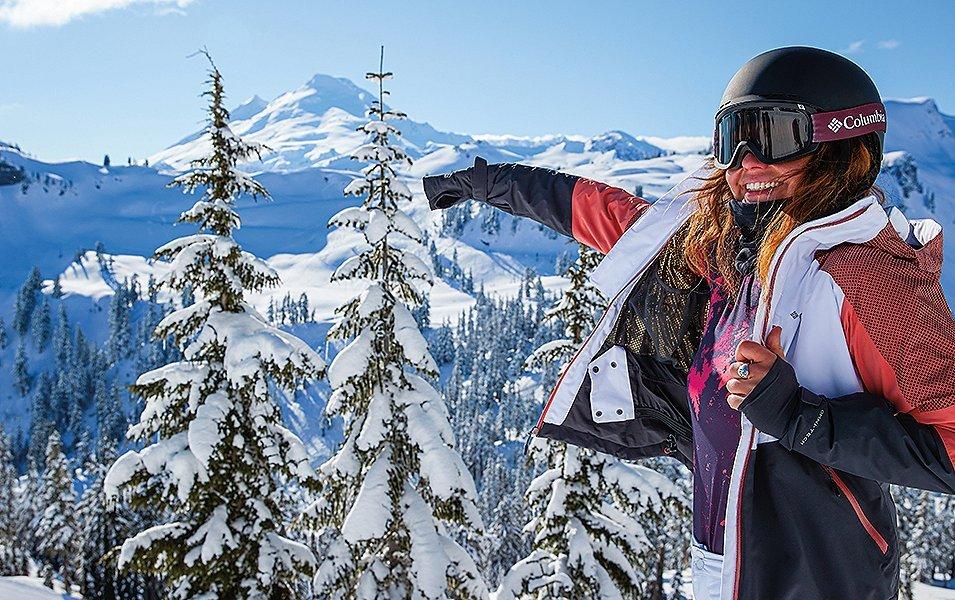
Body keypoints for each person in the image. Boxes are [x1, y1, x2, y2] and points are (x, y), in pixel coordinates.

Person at [421, 46, 955, 600]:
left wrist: (799, 417)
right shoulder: (717, 249)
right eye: (731, 137)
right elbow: (601, 213)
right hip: (722, 561)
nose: (747, 160)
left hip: (828, 578)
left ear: (842, 147)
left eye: (773, 134)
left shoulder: (869, 279)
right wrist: (491, 184)